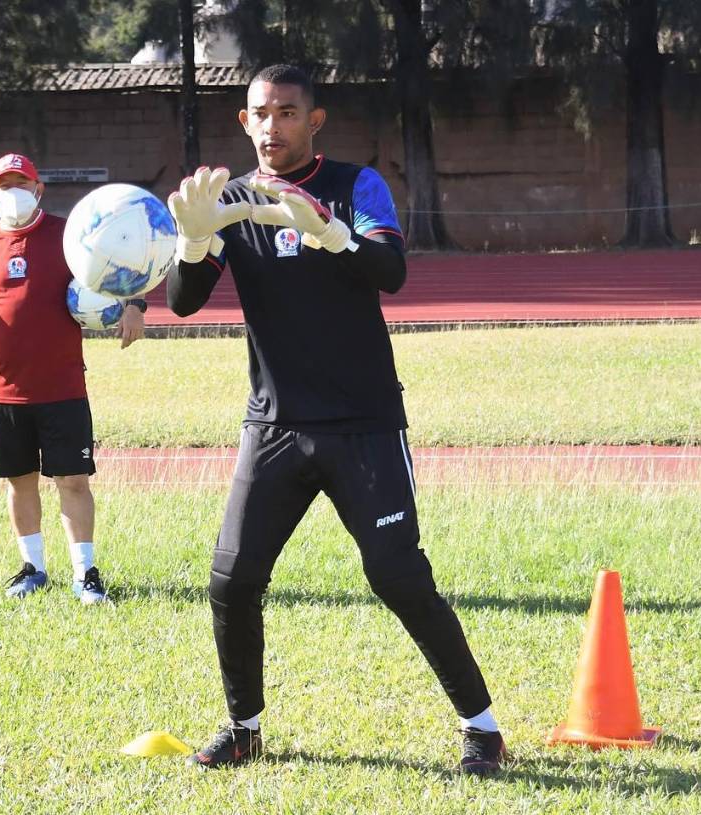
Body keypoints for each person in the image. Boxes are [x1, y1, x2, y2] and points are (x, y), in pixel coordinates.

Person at [166, 65, 507, 775]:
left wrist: (331, 233)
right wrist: (193, 242)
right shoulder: (232, 198)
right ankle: (245, 728)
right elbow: (183, 300)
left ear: (314, 120)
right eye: (261, 113)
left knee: (398, 576)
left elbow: (391, 272)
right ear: (244, 121)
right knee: (232, 580)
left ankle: (483, 728)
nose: (273, 126)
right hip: (275, 426)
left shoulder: (357, 185)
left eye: (288, 112)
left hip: (363, 424)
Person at [0, 152, 148, 603]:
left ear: (39, 190)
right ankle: (32, 568)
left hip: (63, 388)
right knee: (19, 482)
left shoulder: (68, 236)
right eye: (5, 186)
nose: (14, 193)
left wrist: (135, 306)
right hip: (4, 392)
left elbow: (123, 266)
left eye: (22, 184)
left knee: (73, 481)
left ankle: (85, 574)